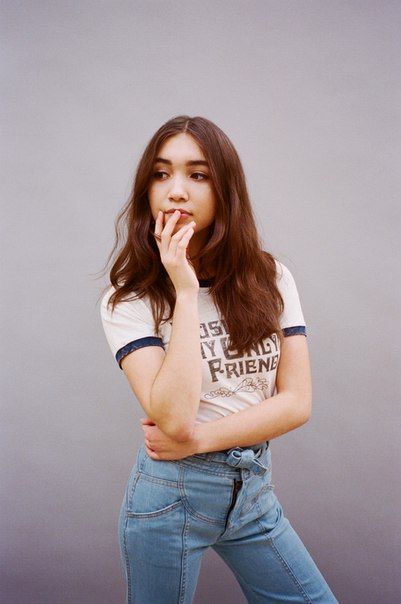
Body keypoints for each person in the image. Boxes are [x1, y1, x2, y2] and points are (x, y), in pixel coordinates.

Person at [99, 115, 338, 603]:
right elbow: (173, 418)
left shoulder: (271, 278)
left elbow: (296, 403)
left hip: (252, 493)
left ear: (225, 188)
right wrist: (185, 293)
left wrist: (198, 440)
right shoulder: (127, 301)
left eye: (198, 174)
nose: (176, 191)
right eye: (161, 174)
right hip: (169, 499)